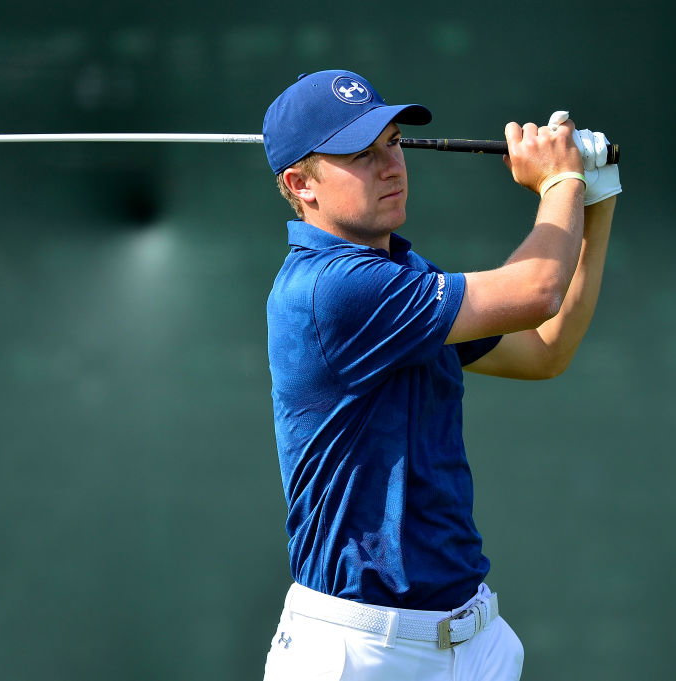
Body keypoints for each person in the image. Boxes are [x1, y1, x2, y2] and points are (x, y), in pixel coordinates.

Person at [260, 70, 620, 681]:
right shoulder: (332, 290)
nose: (391, 165)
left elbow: (543, 348)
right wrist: (561, 180)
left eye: (393, 143)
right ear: (301, 184)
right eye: (360, 156)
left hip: (471, 641)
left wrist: (595, 197)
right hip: (359, 652)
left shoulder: (401, 275)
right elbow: (538, 290)